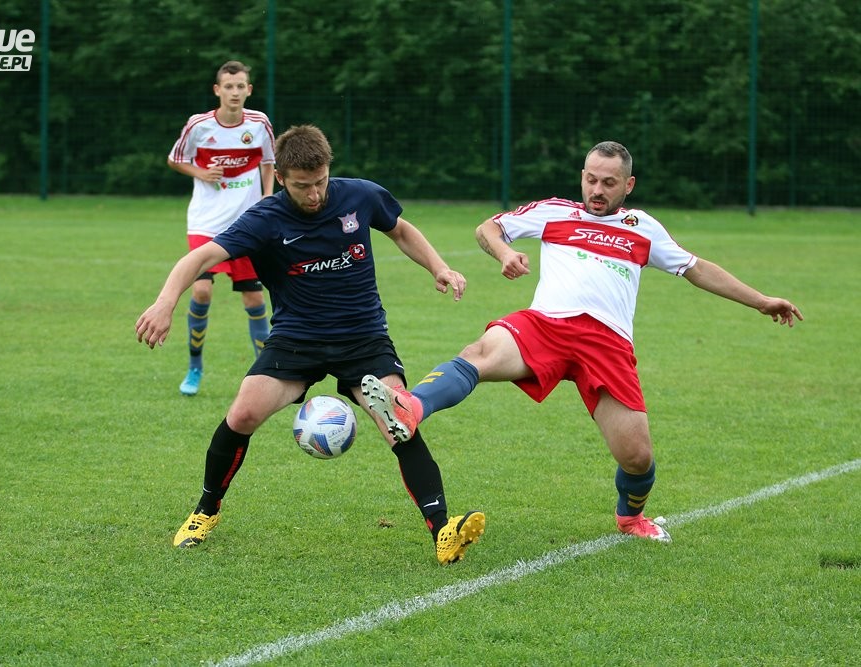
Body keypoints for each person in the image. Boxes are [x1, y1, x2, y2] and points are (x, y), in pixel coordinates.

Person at [362, 140, 803, 543]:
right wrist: (506, 252)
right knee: (480, 352)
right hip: (547, 326)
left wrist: (761, 301)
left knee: (637, 458)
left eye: (609, 183)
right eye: (591, 179)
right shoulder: (555, 212)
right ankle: (409, 407)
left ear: (628, 184)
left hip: (607, 344)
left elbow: (696, 268)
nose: (597, 190)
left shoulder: (643, 227)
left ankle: (630, 517)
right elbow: (487, 229)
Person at [137, 124, 486, 565]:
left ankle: (443, 531)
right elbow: (202, 256)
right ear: (281, 178)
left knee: (398, 418)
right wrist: (165, 302)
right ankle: (205, 511)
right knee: (242, 414)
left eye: (320, 181)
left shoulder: (359, 195)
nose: (315, 193)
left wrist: (438, 267)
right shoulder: (264, 220)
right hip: (296, 339)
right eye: (303, 186)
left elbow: (400, 230)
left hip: (363, 337)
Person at [166, 60, 275, 396]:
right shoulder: (198, 125)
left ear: (249, 90)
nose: (235, 92)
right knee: (201, 291)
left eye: (240, 86)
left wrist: (267, 199)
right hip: (206, 222)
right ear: (217, 90)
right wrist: (200, 173)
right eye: (229, 86)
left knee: (254, 298)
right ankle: (194, 367)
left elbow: (269, 162)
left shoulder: (259, 124)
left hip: (247, 224)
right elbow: (175, 159)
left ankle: (266, 374)